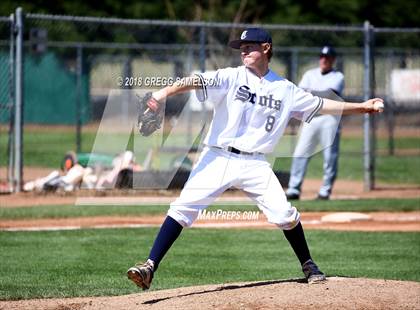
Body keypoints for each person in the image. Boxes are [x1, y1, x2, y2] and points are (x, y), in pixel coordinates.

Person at [127, 28, 383, 290]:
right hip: (217, 156)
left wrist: (362, 107)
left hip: (255, 164)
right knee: (182, 208)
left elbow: (321, 105)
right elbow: (194, 81)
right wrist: (160, 95)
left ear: (266, 48)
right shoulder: (230, 76)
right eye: (241, 46)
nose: (244, 50)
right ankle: (149, 266)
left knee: (285, 214)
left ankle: (308, 264)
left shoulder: (285, 90)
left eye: (249, 45)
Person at [286, 46, 344, 200]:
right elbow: (300, 94)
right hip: (311, 118)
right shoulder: (310, 74)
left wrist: (311, 93)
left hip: (330, 119)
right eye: (322, 56)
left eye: (327, 57)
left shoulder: (338, 76)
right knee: (300, 154)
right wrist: (315, 94)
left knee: (329, 157)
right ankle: (293, 189)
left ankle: (325, 191)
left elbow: (330, 95)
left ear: (332, 60)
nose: (324, 59)